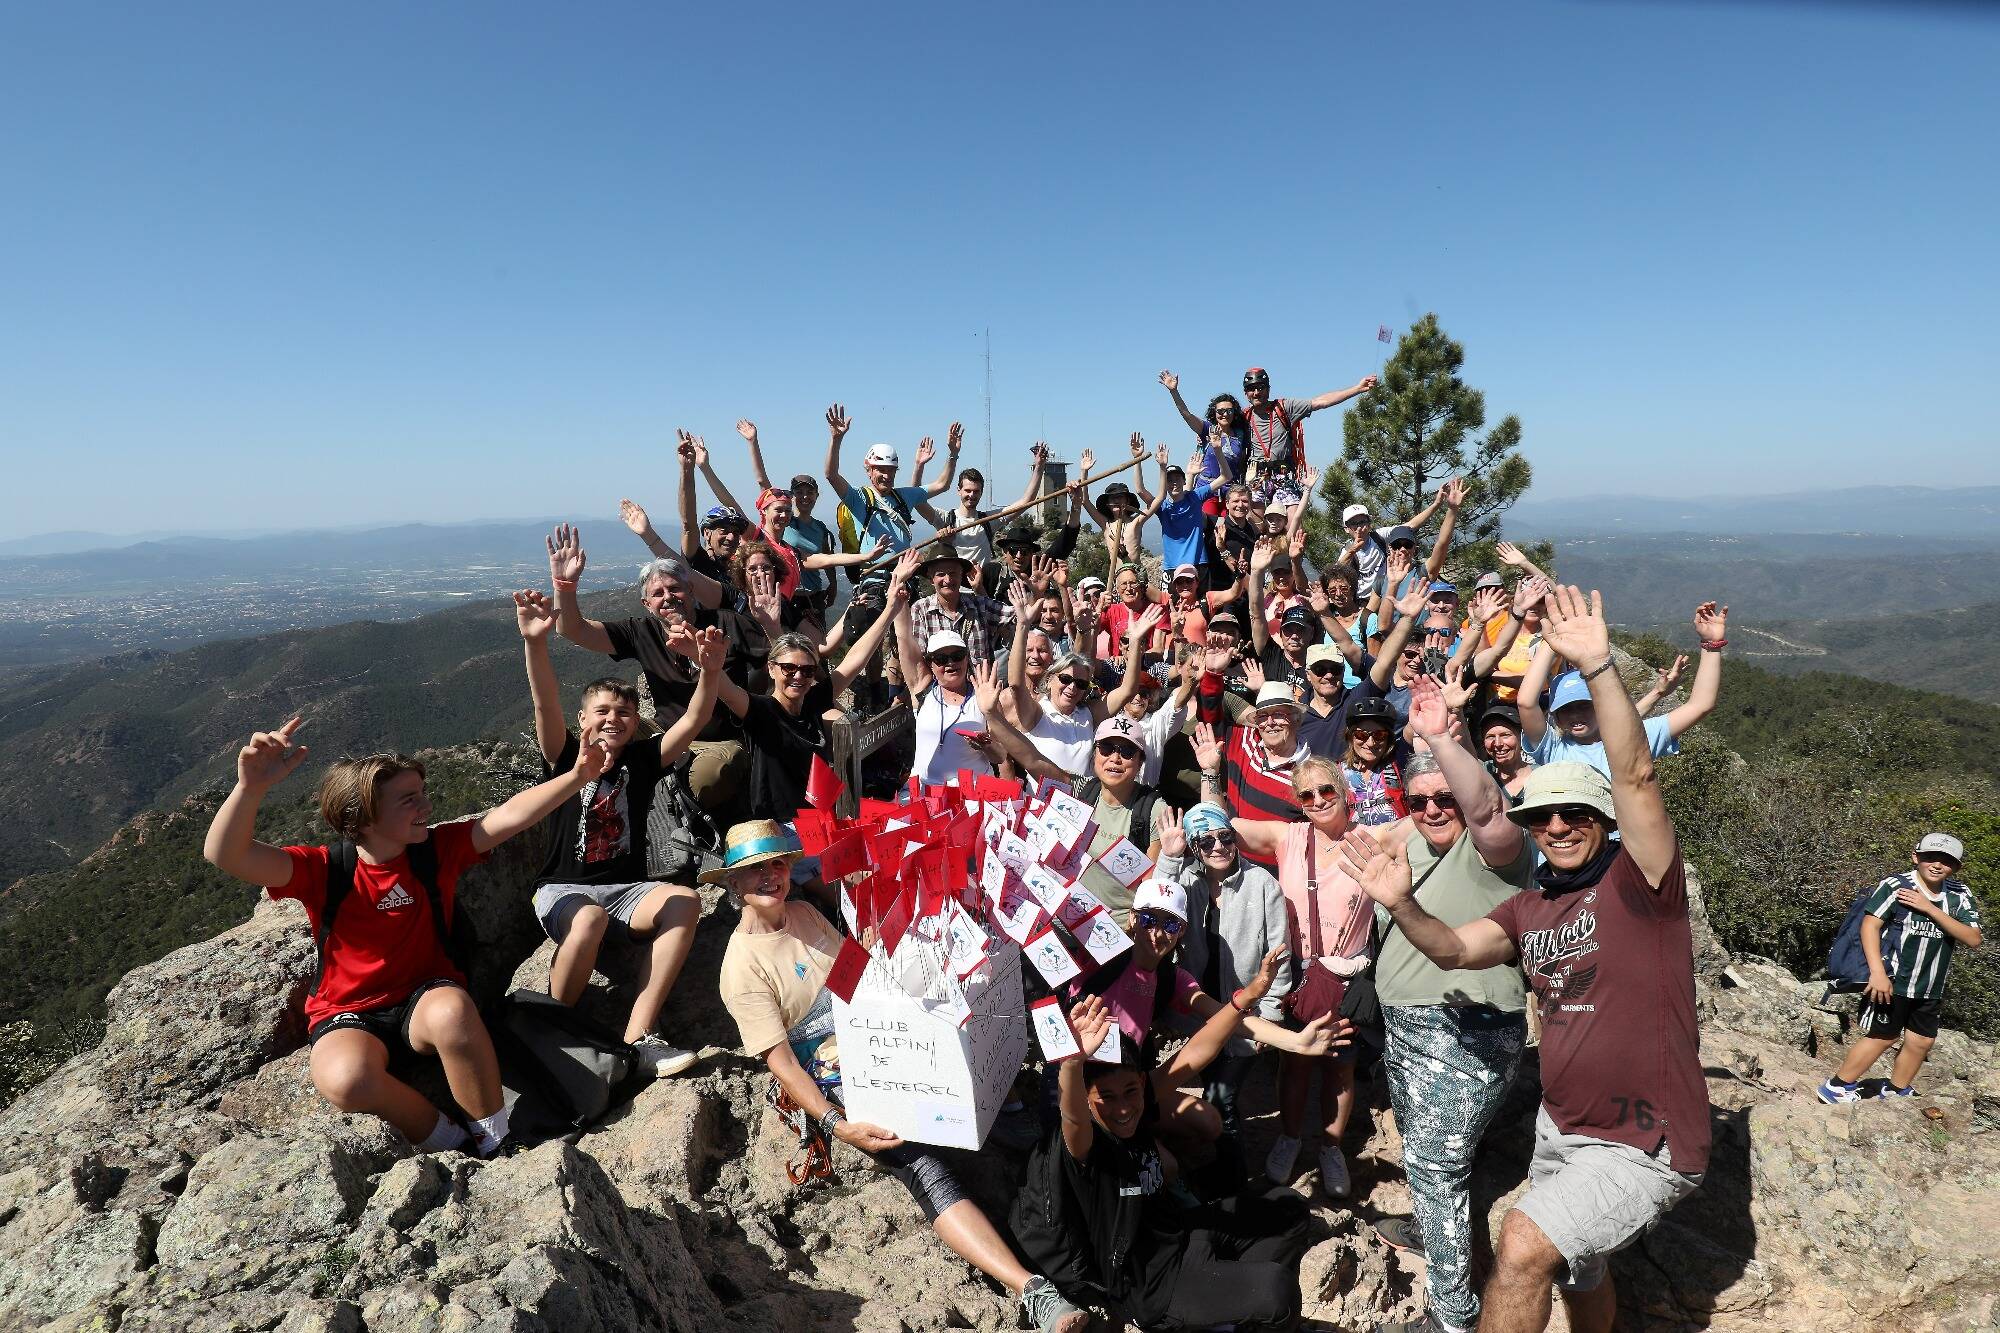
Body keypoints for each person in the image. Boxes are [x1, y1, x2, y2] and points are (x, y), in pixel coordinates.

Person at [1341, 585, 1708, 1333]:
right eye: (1545, 815)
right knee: (1581, 1264)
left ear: (1605, 820)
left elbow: (1635, 773)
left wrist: (1601, 666)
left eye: (1578, 812)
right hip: (1563, 1127)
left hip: (1648, 1134)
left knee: (1522, 1241)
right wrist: (1402, 901)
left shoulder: (1643, 884)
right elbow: (1451, 948)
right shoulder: (1529, 905)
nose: (1561, 825)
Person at [711, 820, 1088, 1333]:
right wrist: (835, 1123)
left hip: (877, 1033)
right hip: (833, 1067)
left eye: (777, 864)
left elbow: (851, 977)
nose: (769, 877)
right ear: (734, 883)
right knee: (918, 1158)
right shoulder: (740, 967)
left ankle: (1008, 1128)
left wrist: (880, 953)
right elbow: (782, 1062)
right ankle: (1031, 1289)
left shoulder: (802, 912)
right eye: (754, 870)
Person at [201, 717, 611, 1156]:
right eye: (408, 800)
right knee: (347, 1079)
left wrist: (576, 777)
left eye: (423, 794)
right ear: (364, 816)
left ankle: (495, 1137)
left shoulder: (437, 851)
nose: (426, 807)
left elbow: (508, 816)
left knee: (453, 1011)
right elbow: (226, 854)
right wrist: (249, 788)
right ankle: (446, 1137)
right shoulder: (324, 870)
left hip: (424, 998)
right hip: (348, 1010)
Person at [1369, 680, 1535, 1333]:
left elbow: (1490, 810)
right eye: (1420, 799)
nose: (1435, 808)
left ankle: (1451, 1315)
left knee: (1436, 1157)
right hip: (1405, 1025)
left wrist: (1441, 736)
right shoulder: (1403, 839)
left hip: (1474, 1027)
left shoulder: (1497, 849)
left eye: (1446, 797)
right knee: (1422, 1144)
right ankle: (1439, 1224)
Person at [1013, 987, 1315, 1333]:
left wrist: (1243, 1000)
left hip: (1184, 1235)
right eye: (1106, 1098)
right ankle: (1228, 1309)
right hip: (1153, 1286)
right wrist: (1072, 1062)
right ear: (1087, 1098)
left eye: (1130, 1092)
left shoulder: (1138, 1102)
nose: (1123, 1108)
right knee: (1279, 1291)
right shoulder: (1087, 1144)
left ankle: (1226, 1313)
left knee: (1288, 1207)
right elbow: (1073, 1117)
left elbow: (1197, 1051)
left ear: (1141, 1083)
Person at [515, 591, 724, 1074]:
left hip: (628, 890)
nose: (613, 719)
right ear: (584, 718)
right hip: (565, 890)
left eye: (624, 713)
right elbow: (544, 701)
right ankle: (556, 1033)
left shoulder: (642, 761)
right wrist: (535, 645)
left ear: (635, 724)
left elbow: (693, 721)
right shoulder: (566, 758)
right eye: (603, 711)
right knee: (586, 920)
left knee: (685, 901)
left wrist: (710, 671)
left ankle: (639, 1038)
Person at [545, 525, 764, 819]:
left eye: (675, 588)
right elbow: (573, 629)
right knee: (602, 733)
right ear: (647, 605)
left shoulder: (727, 623)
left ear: (691, 591)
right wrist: (564, 585)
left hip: (722, 740)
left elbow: (775, 661)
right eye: (658, 594)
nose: (668, 597)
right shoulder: (642, 632)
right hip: (665, 734)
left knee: (707, 779)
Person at [1229, 754, 1374, 1199]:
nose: (1317, 800)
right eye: (1306, 794)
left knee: (1340, 1069)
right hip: (1298, 974)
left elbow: (1439, 824)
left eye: (1326, 790)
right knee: (1294, 1063)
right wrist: (1213, 771)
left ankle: (1330, 1147)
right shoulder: (1288, 837)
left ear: (1345, 793)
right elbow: (1224, 825)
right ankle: (1290, 1137)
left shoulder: (1372, 839)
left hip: (1347, 973)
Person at [1154, 803, 1303, 1183]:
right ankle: (1222, 1171)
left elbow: (1278, 952)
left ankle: (1232, 1180)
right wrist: (1170, 860)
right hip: (1200, 1013)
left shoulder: (1262, 884)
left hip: (1245, 1013)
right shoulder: (1186, 881)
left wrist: (1270, 1012)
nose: (1218, 847)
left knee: (1223, 1098)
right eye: (1205, 841)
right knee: (1213, 1090)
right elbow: (1157, 905)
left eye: (1225, 837)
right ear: (1193, 846)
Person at [713, 551, 912, 824]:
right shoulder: (760, 711)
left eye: (807, 670)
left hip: (820, 822)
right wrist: (709, 666)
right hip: (779, 829)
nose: (798, 676)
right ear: (771, 669)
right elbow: (724, 689)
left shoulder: (812, 701)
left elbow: (855, 659)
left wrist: (890, 609)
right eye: (788, 669)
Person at [974, 670, 1165, 925]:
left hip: (1117, 934)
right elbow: (1032, 758)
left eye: (1128, 751)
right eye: (1107, 748)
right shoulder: (1081, 790)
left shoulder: (1152, 809)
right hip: (1064, 927)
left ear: (1141, 762)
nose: (1115, 758)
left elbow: (1151, 885)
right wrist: (992, 714)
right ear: (1095, 755)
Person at [1818, 833, 1983, 1103]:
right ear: (1916, 857)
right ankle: (1837, 1086)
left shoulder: (1959, 894)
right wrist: (1877, 973)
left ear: (1956, 867)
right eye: (1930, 857)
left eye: (1946, 860)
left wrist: (1929, 908)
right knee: (1883, 1036)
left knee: (1921, 1041)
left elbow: (1973, 938)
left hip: (1930, 984)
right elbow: (1870, 925)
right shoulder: (1896, 885)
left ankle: (1896, 1090)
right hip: (1892, 979)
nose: (1937, 865)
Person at [825, 403, 957, 591]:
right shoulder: (859, 498)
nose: (886, 476)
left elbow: (942, 485)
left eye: (891, 470)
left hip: (905, 577)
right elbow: (831, 475)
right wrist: (836, 440)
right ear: (869, 471)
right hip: (874, 577)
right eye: (881, 470)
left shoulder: (904, 496)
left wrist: (953, 454)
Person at [1194, 680, 1308, 874]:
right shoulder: (1245, 742)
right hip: (1231, 870)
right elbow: (1209, 712)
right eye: (1263, 716)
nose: (1270, 723)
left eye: (1279, 714)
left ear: (1296, 718)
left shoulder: (1309, 775)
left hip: (1279, 880)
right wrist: (1213, 674)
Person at [1238, 366, 1377, 505]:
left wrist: (1357, 389)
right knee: (1256, 523)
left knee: (1293, 521)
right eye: (1251, 389)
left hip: (1283, 473)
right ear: (1246, 393)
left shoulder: (1284, 408)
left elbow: (1321, 402)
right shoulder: (1243, 417)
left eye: (1261, 387)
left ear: (1268, 389)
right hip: (1255, 475)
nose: (1256, 392)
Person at [940, 442, 1049, 575]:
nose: (971, 495)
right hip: (954, 589)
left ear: (981, 492)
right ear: (959, 490)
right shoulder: (945, 518)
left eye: (976, 491)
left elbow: (1026, 501)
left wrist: (1039, 466)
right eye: (967, 490)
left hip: (982, 591)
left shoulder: (989, 521)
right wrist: (950, 455)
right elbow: (919, 501)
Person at [1159, 369, 1251, 511]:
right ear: (1214, 413)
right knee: (1208, 530)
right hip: (1207, 491)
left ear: (1235, 413)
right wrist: (1174, 392)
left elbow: (1242, 463)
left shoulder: (1240, 434)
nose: (1225, 414)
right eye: (1220, 411)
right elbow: (1187, 415)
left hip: (1231, 494)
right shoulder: (1207, 429)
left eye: (1229, 410)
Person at [911, 548, 1011, 663]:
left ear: (961, 575)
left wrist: (1036, 593)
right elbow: (918, 659)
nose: (947, 580)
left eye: (953, 573)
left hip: (981, 681)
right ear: (931, 579)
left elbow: (1021, 617)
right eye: (941, 574)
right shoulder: (921, 610)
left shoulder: (980, 604)